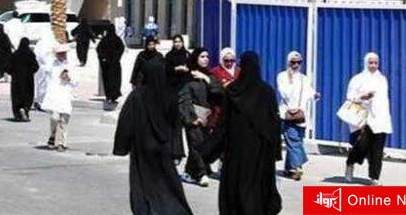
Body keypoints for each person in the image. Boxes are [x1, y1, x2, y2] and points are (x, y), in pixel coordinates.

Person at [113, 59, 194, 215]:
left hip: (141, 148)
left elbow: (126, 122)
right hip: (164, 147)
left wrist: (122, 147)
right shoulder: (170, 94)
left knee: (142, 180)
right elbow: (175, 126)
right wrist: (176, 151)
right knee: (167, 181)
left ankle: (146, 209)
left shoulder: (137, 95)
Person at [218, 51, 282, 215]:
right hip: (260, 150)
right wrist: (275, 151)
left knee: (236, 185)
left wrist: (213, 149)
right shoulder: (267, 92)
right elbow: (274, 123)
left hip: (236, 149)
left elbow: (223, 123)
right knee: (257, 187)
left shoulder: (232, 90)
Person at [344, 52, 392, 186]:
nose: (373, 65)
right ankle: (350, 163)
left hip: (380, 118)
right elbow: (349, 96)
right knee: (361, 145)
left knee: (378, 150)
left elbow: (384, 100)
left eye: (376, 63)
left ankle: (374, 177)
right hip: (363, 118)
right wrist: (362, 97)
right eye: (371, 63)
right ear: (366, 63)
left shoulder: (382, 79)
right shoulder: (358, 79)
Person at [178, 47, 223, 187]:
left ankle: (188, 172)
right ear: (195, 58)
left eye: (207, 56)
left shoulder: (210, 76)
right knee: (196, 145)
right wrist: (191, 118)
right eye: (202, 56)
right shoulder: (188, 77)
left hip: (209, 118)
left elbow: (219, 92)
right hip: (194, 117)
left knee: (206, 145)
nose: (205, 59)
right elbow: (183, 99)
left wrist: (206, 79)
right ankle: (201, 174)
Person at [277, 51, 319, 181]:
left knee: (297, 140)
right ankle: (297, 167)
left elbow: (309, 91)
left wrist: (314, 95)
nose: (295, 65)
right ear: (288, 62)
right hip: (287, 114)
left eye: (298, 62)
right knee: (293, 140)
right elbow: (284, 93)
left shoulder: (304, 78)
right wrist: (290, 79)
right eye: (293, 62)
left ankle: (288, 168)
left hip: (301, 114)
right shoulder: (282, 76)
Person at [41, 43, 78, 152]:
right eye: (60, 53)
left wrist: (69, 77)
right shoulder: (52, 65)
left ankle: (61, 143)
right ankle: (53, 135)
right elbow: (46, 75)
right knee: (55, 118)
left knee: (64, 120)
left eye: (63, 53)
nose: (62, 55)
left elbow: (76, 81)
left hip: (65, 95)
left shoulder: (71, 65)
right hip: (54, 95)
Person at [5, 38, 39, 121]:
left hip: (16, 80)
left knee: (16, 96)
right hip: (28, 79)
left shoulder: (15, 54)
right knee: (28, 95)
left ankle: (18, 114)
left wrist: (13, 73)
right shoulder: (31, 54)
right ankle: (25, 109)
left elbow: (8, 67)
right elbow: (36, 66)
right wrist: (30, 72)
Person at [96, 24, 125, 105]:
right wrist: (116, 57)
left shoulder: (104, 40)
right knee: (115, 80)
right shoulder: (117, 39)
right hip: (115, 64)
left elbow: (98, 49)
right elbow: (121, 49)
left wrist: (103, 58)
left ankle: (109, 96)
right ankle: (114, 96)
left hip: (107, 65)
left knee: (107, 80)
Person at [33, 29, 58, 110]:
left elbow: (37, 55)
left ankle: (38, 101)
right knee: (46, 85)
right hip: (49, 67)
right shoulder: (52, 43)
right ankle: (42, 102)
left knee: (39, 85)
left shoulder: (39, 44)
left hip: (40, 67)